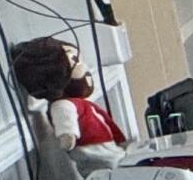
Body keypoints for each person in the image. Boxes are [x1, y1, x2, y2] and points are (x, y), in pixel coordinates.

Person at [8, 34, 126, 168]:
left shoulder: (78, 103)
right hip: (95, 153)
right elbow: (65, 122)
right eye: (76, 60)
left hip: (110, 149)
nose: (86, 69)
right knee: (109, 166)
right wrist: (67, 136)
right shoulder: (62, 105)